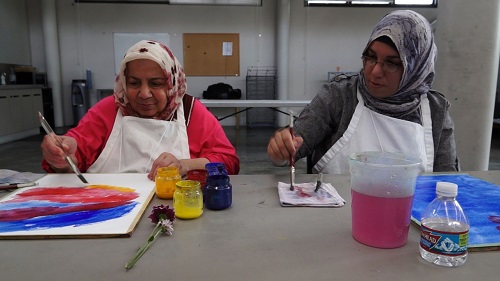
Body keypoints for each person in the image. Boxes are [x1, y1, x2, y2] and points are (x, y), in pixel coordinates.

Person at [267, 10, 459, 174]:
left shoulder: (435, 112)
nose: (375, 71)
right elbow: (297, 141)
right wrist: (282, 150)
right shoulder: (340, 97)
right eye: (370, 57)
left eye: (391, 63)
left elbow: (449, 182)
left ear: (416, 69)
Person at [41, 40, 239, 179]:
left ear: (172, 83)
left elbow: (228, 163)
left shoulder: (191, 112)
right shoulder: (109, 109)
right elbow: (74, 160)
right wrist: (62, 158)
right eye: (134, 83)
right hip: (111, 211)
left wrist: (185, 165)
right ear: (123, 82)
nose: (144, 94)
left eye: (156, 83)